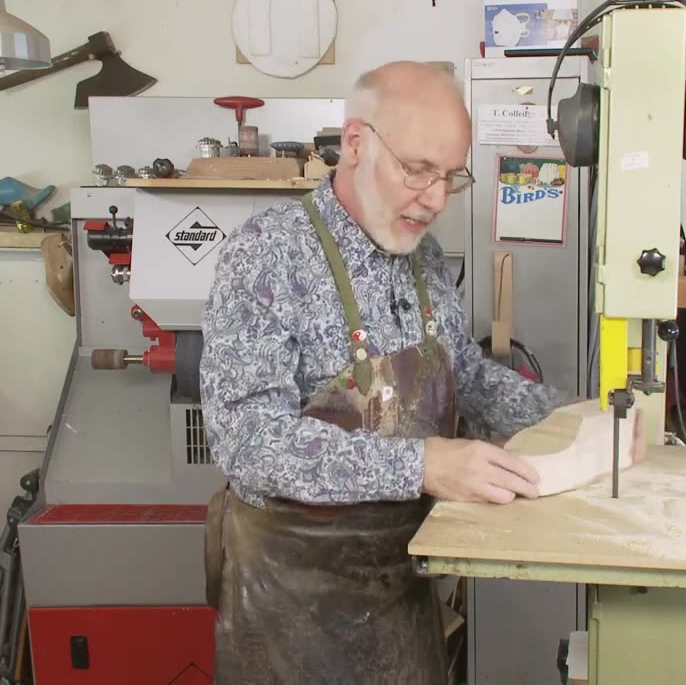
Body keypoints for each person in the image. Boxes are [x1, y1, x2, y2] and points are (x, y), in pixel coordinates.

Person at [198, 61, 573, 684]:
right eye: (418, 170)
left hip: (400, 594)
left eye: (450, 177)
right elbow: (249, 444)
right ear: (354, 143)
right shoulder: (267, 255)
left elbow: (466, 376)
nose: (433, 199)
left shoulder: (421, 256)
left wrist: (569, 418)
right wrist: (423, 465)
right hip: (294, 609)